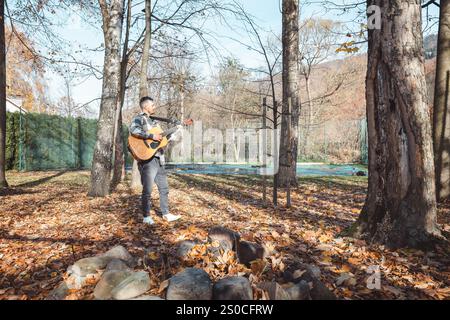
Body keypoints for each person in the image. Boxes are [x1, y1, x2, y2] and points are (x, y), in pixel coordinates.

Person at [129, 96, 181, 225]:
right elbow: (133, 130)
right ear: (146, 106)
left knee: (164, 188)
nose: (154, 107)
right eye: (153, 105)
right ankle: (146, 216)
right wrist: (151, 135)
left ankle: (166, 214)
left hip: (159, 158)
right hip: (147, 160)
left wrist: (172, 136)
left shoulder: (155, 122)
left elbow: (159, 141)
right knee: (147, 190)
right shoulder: (139, 118)